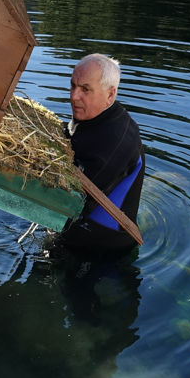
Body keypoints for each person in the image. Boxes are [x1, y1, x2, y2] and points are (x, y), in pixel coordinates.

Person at [53, 53, 145, 257]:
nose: (74, 96)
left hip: (101, 245)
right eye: (73, 86)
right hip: (81, 230)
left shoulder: (114, 141)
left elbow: (72, 201)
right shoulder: (93, 114)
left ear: (110, 95)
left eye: (85, 89)